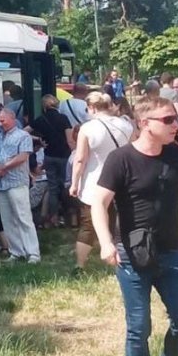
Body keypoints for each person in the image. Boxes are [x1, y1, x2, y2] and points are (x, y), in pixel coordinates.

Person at [90, 96, 178, 356]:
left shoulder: (176, 156)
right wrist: (105, 243)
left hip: (171, 251)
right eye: (168, 120)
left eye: (177, 119)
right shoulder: (121, 159)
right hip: (132, 254)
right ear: (145, 124)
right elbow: (99, 203)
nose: (176, 125)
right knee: (139, 328)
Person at [68, 91, 133, 272]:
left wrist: (74, 183)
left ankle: (80, 264)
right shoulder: (126, 125)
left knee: (89, 224)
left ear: (92, 107)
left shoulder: (87, 129)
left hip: (94, 181)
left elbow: (80, 159)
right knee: (122, 220)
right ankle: (122, 258)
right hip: (124, 179)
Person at [0, 107, 41, 263]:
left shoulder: (23, 136)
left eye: (2, 120)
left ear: (12, 119)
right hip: (2, 184)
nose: (0, 124)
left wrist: (4, 166)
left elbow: (23, 156)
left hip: (17, 182)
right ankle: (16, 251)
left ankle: (33, 253)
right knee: (8, 219)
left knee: (23, 217)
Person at [31, 95, 73, 228]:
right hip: (64, 155)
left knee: (53, 188)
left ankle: (53, 217)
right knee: (65, 185)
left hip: (49, 156)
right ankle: (68, 217)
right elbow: (69, 139)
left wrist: (38, 140)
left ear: (44, 106)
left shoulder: (41, 119)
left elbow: (24, 131)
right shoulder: (63, 118)